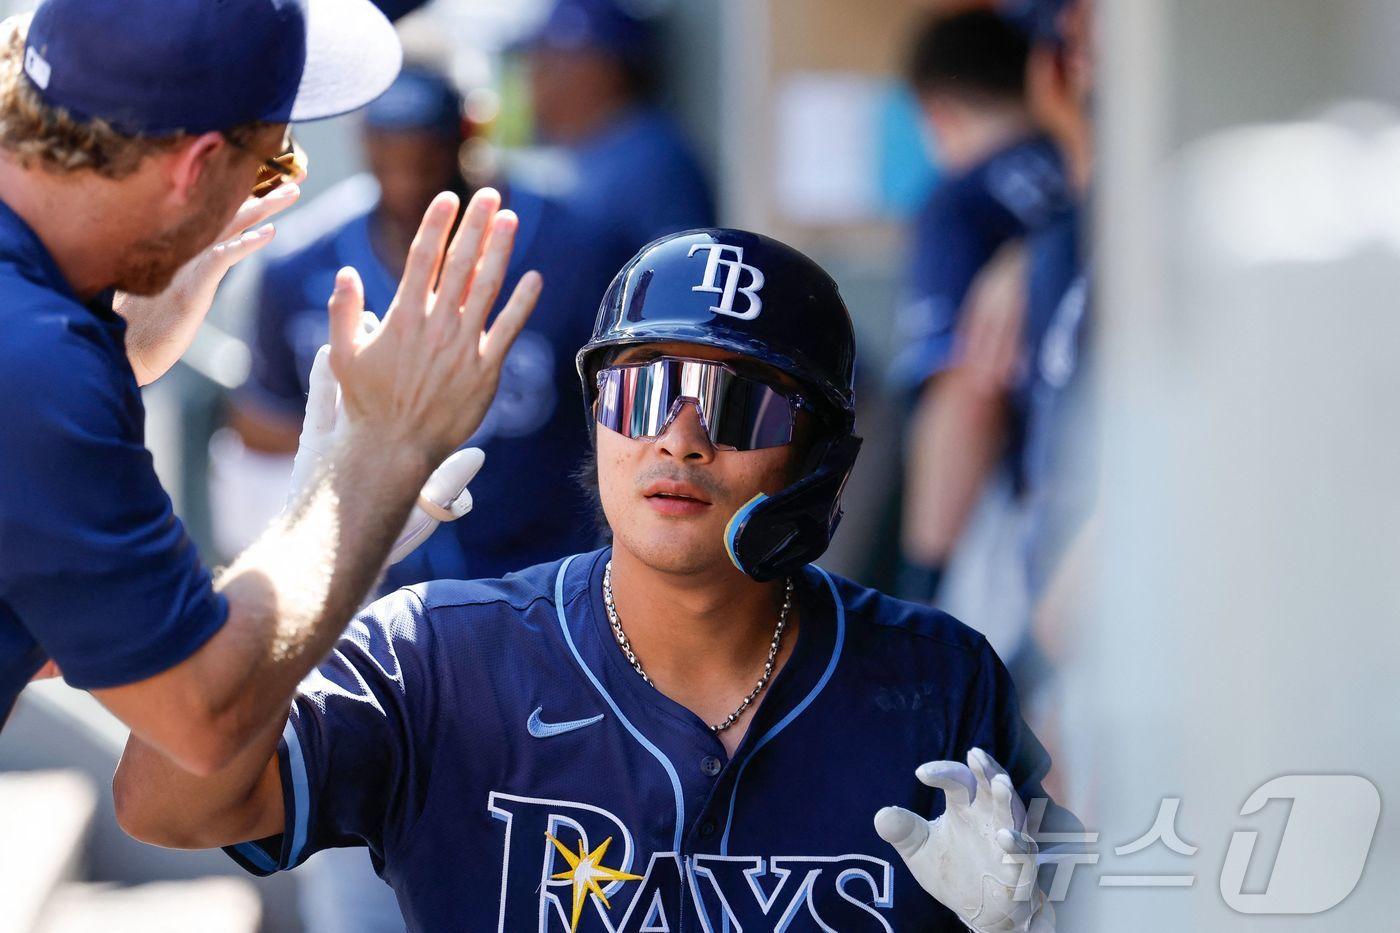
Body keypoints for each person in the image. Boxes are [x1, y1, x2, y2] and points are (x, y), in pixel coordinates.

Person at [112, 230, 1079, 931]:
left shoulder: (937, 680)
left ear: (819, 460)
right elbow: (165, 803)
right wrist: (321, 537)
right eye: (645, 387)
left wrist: (1036, 922)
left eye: (738, 402)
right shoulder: (438, 654)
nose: (680, 435)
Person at [0, 0, 542, 786]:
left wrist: (112, 349)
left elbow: (82, 628)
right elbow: (203, 714)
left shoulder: (42, 332)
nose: (261, 189)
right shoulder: (40, 360)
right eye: (270, 159)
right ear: (193, 170)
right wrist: (374, 465)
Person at [223, 64, 627, 589]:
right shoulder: (301, 265)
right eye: (388, 151)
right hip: (372, 586)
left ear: (467, 135)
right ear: (363, 143)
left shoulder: (576, 247)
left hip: (549, 577)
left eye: (426, 152)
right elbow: (261, 428)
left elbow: (626, 417)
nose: (408, 175)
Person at [892, 10, 1073, 653]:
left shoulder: (958, 204)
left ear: (936, 112)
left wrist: (925, 582)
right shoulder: (1087, 175)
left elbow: (965, 396)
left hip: (1031, 516)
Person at [520, 0, 715, 253]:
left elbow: (686, 278)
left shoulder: (653, 158)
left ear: (608, 68)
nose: (535, 73)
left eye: (552, 58)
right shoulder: (585, 150)